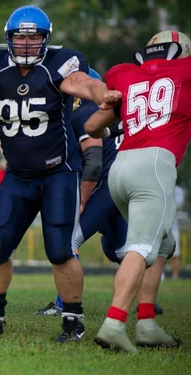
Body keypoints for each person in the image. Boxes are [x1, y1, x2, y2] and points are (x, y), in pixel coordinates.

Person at [0, 6, 118, 341]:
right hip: (17, 175)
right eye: (21, 36)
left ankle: (73, 320)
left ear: (46, 39)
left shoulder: (61, 65)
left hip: (58, 171)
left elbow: (84, 84)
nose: (27, 44)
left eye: (34, 37)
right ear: (9, 38)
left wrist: (105, 95)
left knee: (59, 249)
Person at [84, 30, 190, 352]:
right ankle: (114, 324)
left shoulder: (126, 75)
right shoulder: (185, 73)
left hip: (121, 168)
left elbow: (91, 127)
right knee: (141, 247)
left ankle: (146, 324)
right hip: (154, 166)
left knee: (161, 243)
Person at [35, 69, 127, 316]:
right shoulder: (86, 112)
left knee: (69, 240)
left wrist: (83, 200)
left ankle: (64, 303)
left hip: (105, 185)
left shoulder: (83, 110)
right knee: (119, 249)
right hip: (114, 183)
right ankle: (148, 299)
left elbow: (94, 161)